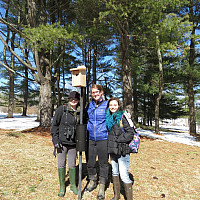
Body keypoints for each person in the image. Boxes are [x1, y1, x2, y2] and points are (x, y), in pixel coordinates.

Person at [51, 91, 80, 197]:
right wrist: (56, 140)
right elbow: (54, 126)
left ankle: (73, 185)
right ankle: (62, 186)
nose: (74, 101)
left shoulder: (79, 111)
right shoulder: (61, 110)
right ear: (68, 100)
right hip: (61, 143)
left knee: (72, 164)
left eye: (76, 99)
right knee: (61, 163)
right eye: (72, 99)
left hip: (73, 143)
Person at [106, 97, 134, 200]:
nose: (112, 107)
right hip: (113, 150)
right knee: (114, 172)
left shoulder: (123, 117)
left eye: (114, 105)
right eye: (110, 105)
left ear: (118, 106)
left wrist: (118, 140)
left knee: (124, 175)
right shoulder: (109, 117)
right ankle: (117, 195)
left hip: (122, 150)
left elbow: (130, 133)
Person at [85, 84, 109, 200]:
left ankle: (102, 185)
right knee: (90, 162)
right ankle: (92, 180)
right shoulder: (89, 105)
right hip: (90, 138)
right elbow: (83, 116)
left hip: (103, 138)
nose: (95, 94)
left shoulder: (106, 105)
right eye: (93, 92)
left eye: (97, 92)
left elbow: (115, 116)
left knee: (103, 163)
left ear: (101, 92)